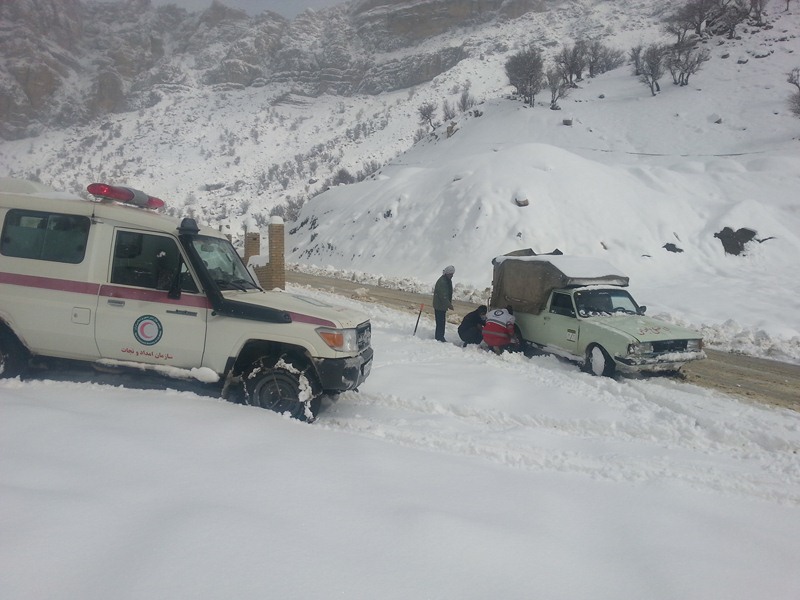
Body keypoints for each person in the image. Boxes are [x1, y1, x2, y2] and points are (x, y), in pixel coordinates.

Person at [432, 265, 455, 342]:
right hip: (439, 306)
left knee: (441, 322)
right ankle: (439, 337)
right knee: (440, 323)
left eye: (452, 274)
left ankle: (440, 336)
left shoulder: (447, 280)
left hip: (442, 306)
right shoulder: (442, 282)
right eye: (451, 274)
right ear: (447, 273)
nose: (452, 276)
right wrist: (449, 305)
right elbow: (443, 296)